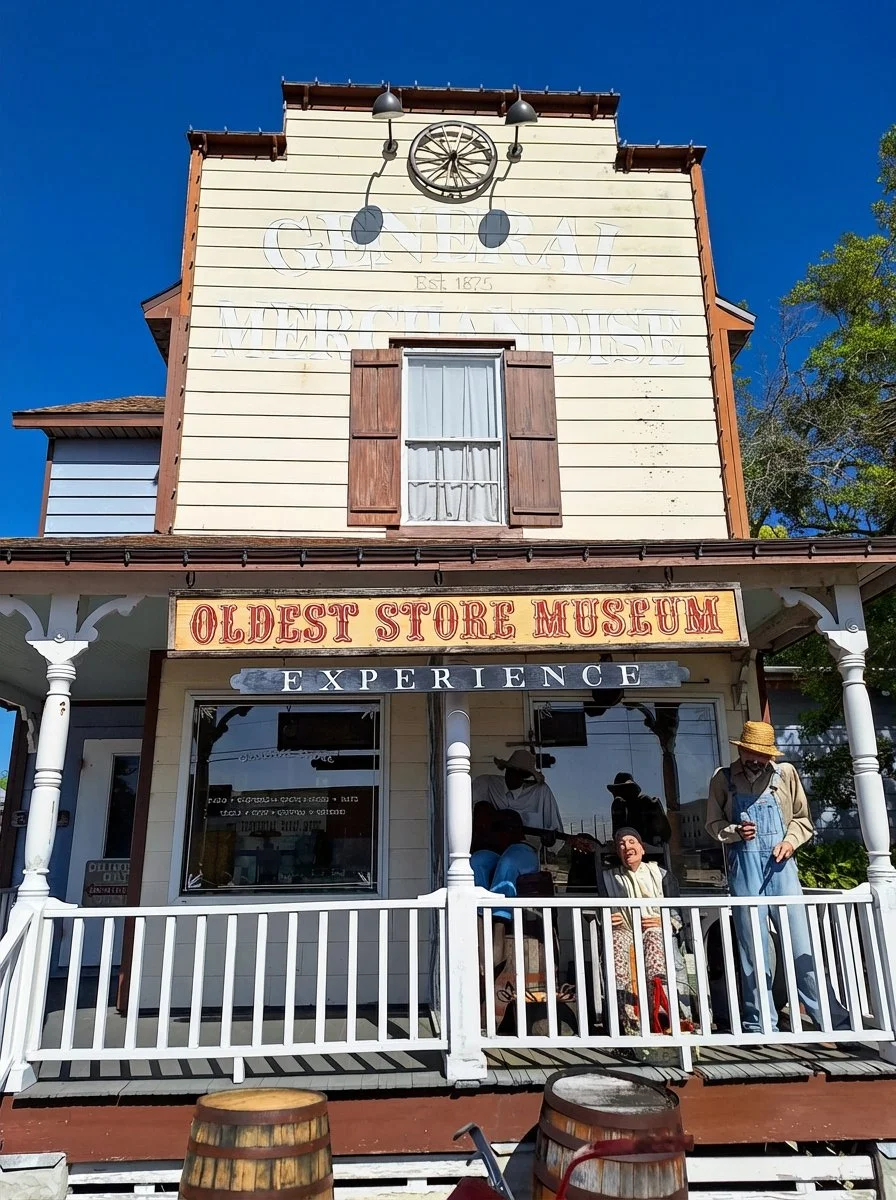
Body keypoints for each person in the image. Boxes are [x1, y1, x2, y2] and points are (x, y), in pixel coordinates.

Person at [706, 720, 850, 1034]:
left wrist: (789, 841)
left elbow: (802, 819)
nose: (757, 760)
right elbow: (712, 824)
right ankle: (760, 1023)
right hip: (745, 869)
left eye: (763, 755)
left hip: (782, 867)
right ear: (741, 749)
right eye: (752, 753)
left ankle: (834, 1020)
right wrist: (734, 831)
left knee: (801, 947)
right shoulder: (723, 778)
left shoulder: (785, 775)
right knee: (752, 951)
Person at [598, 827, 693, 1038]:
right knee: (616, 942)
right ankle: (629, 1018)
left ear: (641, 848)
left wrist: (665, 921)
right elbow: (598, 912)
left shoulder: (662, 875)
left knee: (655, 937)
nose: (627, 847)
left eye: (632, 842)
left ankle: (661, 1012)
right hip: (625, 929)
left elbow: (678, 913)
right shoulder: (609, 878)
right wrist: (605, 917)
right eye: (621, 844)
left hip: (657, 928)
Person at [471, 749, 562, 845]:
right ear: (506, 769)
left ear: (526, 776)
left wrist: (550, 844)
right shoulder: (486, 784)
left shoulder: (541, 792)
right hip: (489, 848)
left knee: (511, 859)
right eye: (511, 770)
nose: (514, 775)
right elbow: (462, 809)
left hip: (524, 850)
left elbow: (555, 831)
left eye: (521, 773)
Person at [471, 805, 540, 920]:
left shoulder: (509, 816)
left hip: (520, 850)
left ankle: (500, 921)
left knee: (508, 862)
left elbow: (516, 839)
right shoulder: (480, 838)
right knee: (477, 860)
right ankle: (480, 914)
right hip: (498, 854)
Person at [608, 773, 671, 847]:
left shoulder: (646, 802)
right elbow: (618, 835)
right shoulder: (619, 807)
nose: (617, 795)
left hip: (651, 854)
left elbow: (663, 835)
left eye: (622, 790)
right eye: (616, 792)